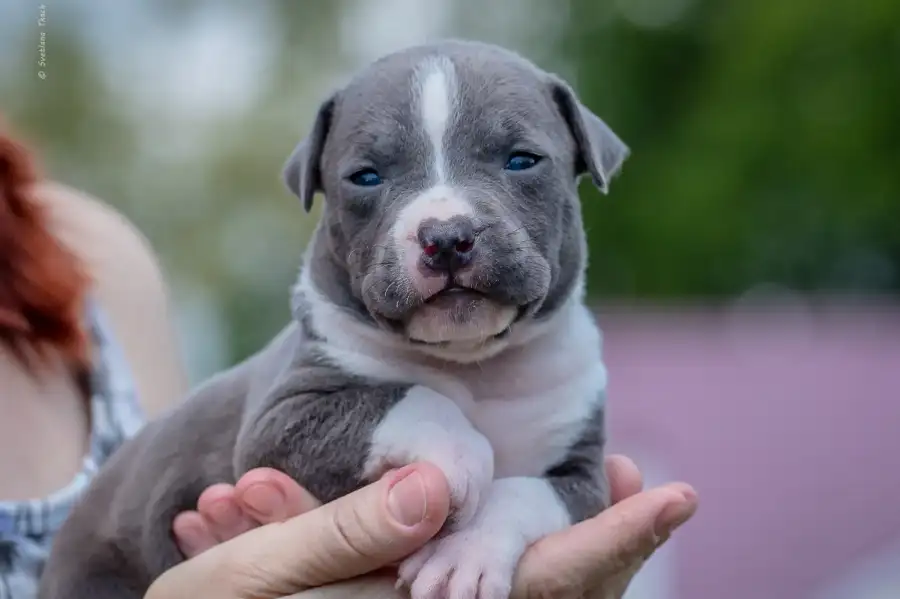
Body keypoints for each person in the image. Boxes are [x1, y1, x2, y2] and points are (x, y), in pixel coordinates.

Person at [0, 123, 698, 599]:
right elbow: (275, 436)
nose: (447, 225)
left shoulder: (89, 260)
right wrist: (418, 422)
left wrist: (512, 519)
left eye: (518, 161)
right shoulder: (334, 351)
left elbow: (576, 482)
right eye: (367, 177)